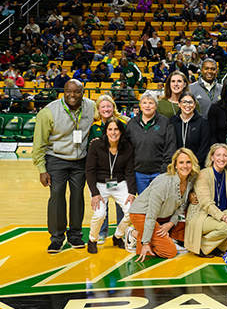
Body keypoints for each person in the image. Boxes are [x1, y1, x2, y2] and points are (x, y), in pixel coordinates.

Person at [33, 79, 96, 253]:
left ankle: (75, 235)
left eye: (76, 91)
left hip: (80, 160)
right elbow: (38, 144)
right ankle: (56, 238)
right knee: (56, 197)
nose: (72, 95)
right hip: (56, 159)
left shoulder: (91, 106)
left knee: (77, 197)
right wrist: (41, 169)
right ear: (64, 91)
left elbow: (108, 114)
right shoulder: (49, 112)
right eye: (68, 91)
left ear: (83, 92)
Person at [127, 148, 199, 261]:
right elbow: (151, 214)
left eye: (188, 162)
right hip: (141, 214)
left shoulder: (190, 179)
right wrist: (146, 242)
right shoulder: (163, 183)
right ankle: (134, 234)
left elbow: (182, 206)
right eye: (181, 162)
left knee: (165, 247)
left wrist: (171, 223)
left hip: (161, 216)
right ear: (175, 165)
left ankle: (140, 235)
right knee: (170, 252)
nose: (185, 166)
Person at [185, 144, 227, 258]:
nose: (221, 158)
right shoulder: (203, 174)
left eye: (225, 155)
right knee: (226, 226)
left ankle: (217, 248)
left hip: (220, 214)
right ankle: (201, 247)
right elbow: (206, 203)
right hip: (202, 216)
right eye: (218, 155)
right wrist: (225, 218)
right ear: (212, 157)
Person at [85, 119, 136, 253]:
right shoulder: (96, 145)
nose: (113, 133)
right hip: (100, 184)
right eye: (110, 129)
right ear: (106, 131)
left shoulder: (127, 147)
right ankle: (92, 239)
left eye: (116, 129)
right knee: (100, 213)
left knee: (132, 212)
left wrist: (132, 192)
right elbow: (89, 171)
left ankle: (118, 236)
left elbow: (129, 171)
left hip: (120, 183)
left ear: (121, 131)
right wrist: (95, 193)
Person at [126, 92, 177, 193]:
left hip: (159, 173)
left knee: (158, 204)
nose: (147, 106)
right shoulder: (132, 123)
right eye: (144, 103)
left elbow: (170, 148)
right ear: (140, 105)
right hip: (138, 173)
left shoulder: (165, 123)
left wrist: (163, 170)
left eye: (151, 103)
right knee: (143, 204)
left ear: (156, 105)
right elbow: (127, 148)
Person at [169, 91, 212, 162]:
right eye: (184, 102)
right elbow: (169, 146)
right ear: (179, 104)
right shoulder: (172, 121)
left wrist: (194, 163)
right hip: (176, 164)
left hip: (196, 165)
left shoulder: (203, 123)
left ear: (195, 104)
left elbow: (204, 147)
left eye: (190, 102)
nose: (188, 105)